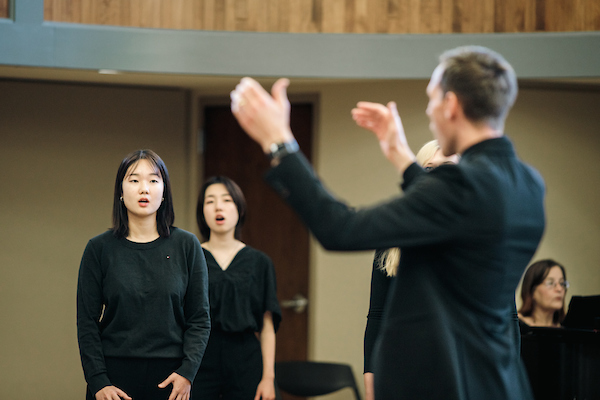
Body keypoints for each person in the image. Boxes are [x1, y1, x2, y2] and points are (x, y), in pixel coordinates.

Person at [229, 45, 546, 400]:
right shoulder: (527, 183)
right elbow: (454, 216)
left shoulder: (460, 189)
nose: (429, 112)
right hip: (497, 380)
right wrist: (400, 155)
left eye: (431, 100)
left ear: (452, 105)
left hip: (442, 384)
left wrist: (279, 144)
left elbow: (340, 228)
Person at [77, 150, 210, 400]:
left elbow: (200, 318)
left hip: (172, 378)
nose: (144, 189)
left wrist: (187, 372)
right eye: (134, 180)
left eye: (153, 180)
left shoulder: (187, 245)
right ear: (120, 191)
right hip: (113, 378)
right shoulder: (99, 248)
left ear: (164, 193)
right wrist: (98, 381)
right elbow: (86, 322)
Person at [363, 140, 458, 400]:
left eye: (446, 167)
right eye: (428, 168)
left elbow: (507, 321)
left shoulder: (482, 235)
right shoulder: (392, 239)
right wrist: (370, 379)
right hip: (404, 369)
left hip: (461, 371)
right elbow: (377, 317)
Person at [192, 176, 281, 400]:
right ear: (202, 211)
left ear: (239, 209)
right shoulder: (190, 258)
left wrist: (268, 377)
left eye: (226, 200)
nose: (218, 207)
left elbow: (267, 326)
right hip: (199, 356)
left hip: (246, 357)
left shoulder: (260, 262)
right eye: (210, 201)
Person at [518, 259, 569, 329]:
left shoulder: (567, 329)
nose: (559, 289)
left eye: (562, 283)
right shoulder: (517, 326)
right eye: (550, 283)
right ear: (532, 291)